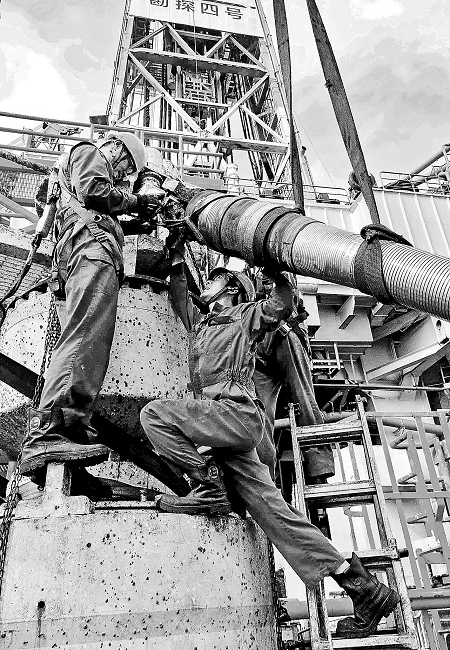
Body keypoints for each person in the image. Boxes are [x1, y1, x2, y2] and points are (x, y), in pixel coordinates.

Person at [139, 234, 400, 639]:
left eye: (215, 279)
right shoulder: (203, 324)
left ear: (231, 289)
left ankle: (208, 487)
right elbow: (179, 297)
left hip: (236, 415)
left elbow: (281, 303)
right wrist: (175, 251)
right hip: (226, 433)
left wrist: (272, 263)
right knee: (275, 514)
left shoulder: (244, 315)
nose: (206, 282)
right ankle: (362, 587)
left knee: (153, 415)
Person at [21, 132, 165, 478]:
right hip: (91, 254)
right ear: (114, 146)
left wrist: (134, 220)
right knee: (85, 337)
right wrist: (137, 200)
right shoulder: (89, 152)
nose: (123, 173)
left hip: (87, 252)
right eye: (126, 165)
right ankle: (48, 432)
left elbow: (97, 206)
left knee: (88, 343)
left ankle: (69, 435)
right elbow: (94, 191)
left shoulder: (84, 178)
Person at [253, 283, 334, 485]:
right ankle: (264, 480)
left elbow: (285, 288)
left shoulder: (282, 278)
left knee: (303, 398)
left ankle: (319, 466)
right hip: (260, 350)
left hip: (286, 332)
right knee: (259, 416)